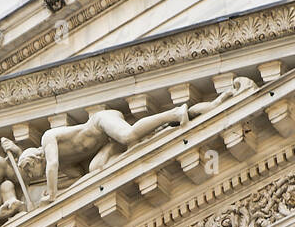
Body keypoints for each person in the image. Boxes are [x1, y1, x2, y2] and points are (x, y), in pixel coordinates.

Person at [13, 77, 257, 202]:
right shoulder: (68, 165)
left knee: (128, 135)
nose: (35, 176)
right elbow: (82, 181)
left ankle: (174, 113)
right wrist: (59, 196)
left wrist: (51, 193)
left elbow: (52, 166)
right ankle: (168, 129)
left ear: (32, 160)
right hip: (105, 143)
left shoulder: (47, 140)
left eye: (31, 171)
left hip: (102, 123)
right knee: (96, 168)